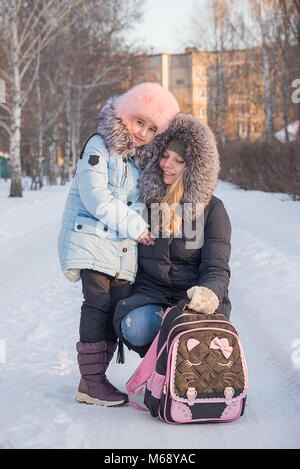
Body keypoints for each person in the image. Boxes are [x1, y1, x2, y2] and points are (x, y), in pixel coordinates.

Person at [57, 83, 180, 406]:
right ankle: (92, 381)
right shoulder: (100, 145)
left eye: (153, 128)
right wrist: (137, 226)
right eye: (140, 122)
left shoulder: (142, 162)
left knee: (115, 309)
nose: (143, 132)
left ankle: (95, 380)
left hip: (121, 250)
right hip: (92, 240)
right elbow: (96, 197)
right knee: (97, 304)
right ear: (126, 114)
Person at [113, 112, 232, 358]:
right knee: (136, 327)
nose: (167, 165)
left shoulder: (212, 210)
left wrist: (209, 292)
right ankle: (162, 374)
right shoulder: (143, 204)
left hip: (192, 302)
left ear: (195, 167)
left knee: (187, 335)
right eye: (164, 156)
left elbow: (217, 267)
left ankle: (182, 375)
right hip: (151, 296)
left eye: (178, 161)